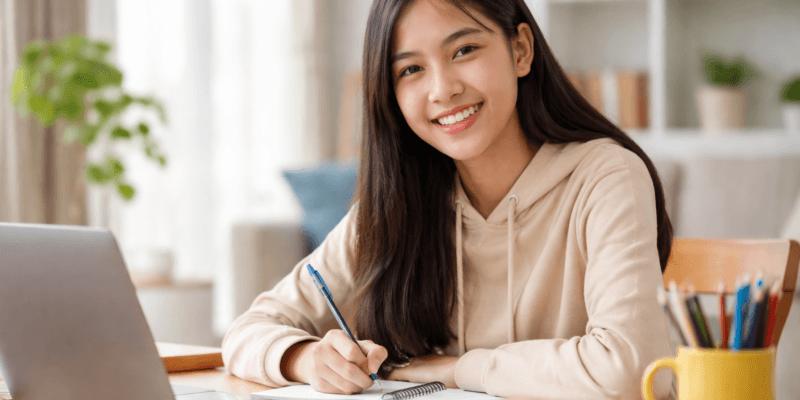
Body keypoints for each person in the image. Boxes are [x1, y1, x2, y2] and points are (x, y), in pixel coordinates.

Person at [222, 0, 675, 399]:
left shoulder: (606, 176)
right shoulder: (397, 205)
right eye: (410, 70)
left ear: (520, 49)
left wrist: (458, 370)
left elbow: (632, 370)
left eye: (464, 50)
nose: (443, 90)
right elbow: (246, 332)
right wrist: (305, 359)